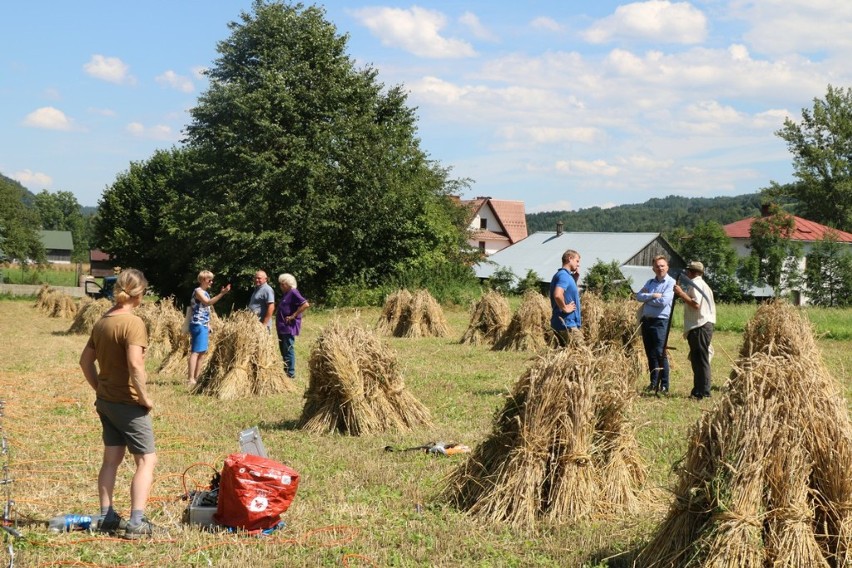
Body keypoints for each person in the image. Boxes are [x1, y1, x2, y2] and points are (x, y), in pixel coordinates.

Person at [78, 268, 157, 539]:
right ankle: (136, 522)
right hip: (128, 403)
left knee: (111, 460)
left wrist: (100, 388)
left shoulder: (103, 321)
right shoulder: (133, 323)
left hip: (107, 402)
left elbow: (85, 361)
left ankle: (107, 516)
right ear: (140, 293)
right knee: (146, 460)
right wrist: (144, 397)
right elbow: (135, 364)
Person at [673, 261, 716, 400]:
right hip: (701, 325)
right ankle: (698, 390)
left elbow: (695, 304)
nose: (686, 273)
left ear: (691, 272)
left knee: (700, 360)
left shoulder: (697, 284)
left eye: (688, 271)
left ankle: (703, 392)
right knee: (697, 360)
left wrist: (680, 293)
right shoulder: (703, 285)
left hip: (700, 326)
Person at [636, 255, 675, 394]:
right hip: (647, 320)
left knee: (660, 353)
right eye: (657, 266)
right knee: (650, 353)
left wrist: (647, 298)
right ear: (653, 268)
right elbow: (638, 296)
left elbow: (663, 302)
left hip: (660, 321)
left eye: (662, 266)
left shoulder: (671, 283)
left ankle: (664, 385)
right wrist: (653, 296)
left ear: (667, 267)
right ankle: (653, 383)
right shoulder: (650, 282)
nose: (660, 268)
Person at [187, 270, 231, 387]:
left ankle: (197, 377)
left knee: (202, 352)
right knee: (196, 352)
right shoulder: (198, 291)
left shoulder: (205, 292)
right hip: (197, 324)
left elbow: (205, 309)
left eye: (212, 280)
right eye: (209, 280)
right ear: (202, 280)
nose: (211, 282)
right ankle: (191, 379)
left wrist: (209, 324)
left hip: (203, 324)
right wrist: (222, 293)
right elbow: (207, 303)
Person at [275, 273, 310, 379]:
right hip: (282, 326)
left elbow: (305, 304)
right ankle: (286, 371)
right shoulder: (286, 294)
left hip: (288, 326)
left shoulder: (293, 292)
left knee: (288, 348)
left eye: (282, 284)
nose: (280, 287)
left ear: (287, 284)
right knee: (283, 349)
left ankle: (290, 373)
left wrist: (293, 315)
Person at [549, 249, 582, 346]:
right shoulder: (564, 275)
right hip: (567, 324)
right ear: (570, 258)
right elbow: (557, 294)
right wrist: (565, 308)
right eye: (577, 261)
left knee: (566, 356)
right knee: (583, 355)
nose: (578, 264)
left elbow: (567, 293)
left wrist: (574, 280)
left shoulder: (566, 276)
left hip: (563, 324)